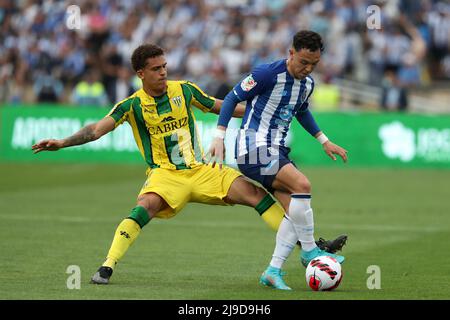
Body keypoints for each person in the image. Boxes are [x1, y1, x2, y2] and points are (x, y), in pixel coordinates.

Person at [31, 44, 298, 285]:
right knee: (143, 208)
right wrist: (62, 142)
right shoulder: (131, 105)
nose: (162, 73)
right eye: (155, 69)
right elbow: (96, 130)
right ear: (141, 73)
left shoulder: (184, 89)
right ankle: (107, 266)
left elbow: (220, 106)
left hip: (201, 169)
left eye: (164, 67)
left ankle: (305, 246)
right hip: (165, 175)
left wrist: (263, 113)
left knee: (256, 194)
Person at [208, 30, 348, 290]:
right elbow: (231, 99)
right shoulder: (266, 74)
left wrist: (324, 140)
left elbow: (302, 112)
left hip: (276, 150)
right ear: (291, 53)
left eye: (314, 64)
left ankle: (272, 271)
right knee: (303, 185)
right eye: (303, 62)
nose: (307, 68)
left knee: (294, 212)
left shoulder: (307, 85)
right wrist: (219, 136)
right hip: (253, 147)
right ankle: (310, 252)